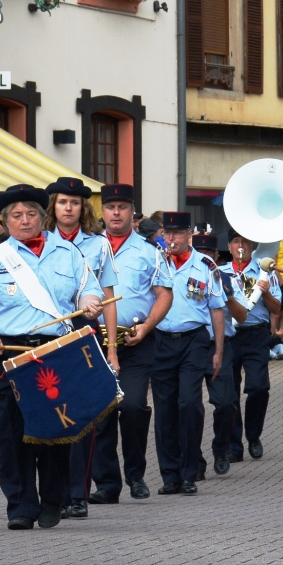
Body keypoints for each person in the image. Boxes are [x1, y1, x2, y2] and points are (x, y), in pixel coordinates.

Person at [0, 185, 104, 529]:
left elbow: (88, 288)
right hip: (6, 353)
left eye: (31, 214)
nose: (25, 221)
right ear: (5, 221)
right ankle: (20, 505)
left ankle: (53, 498)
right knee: (11, 431)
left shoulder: (67, 253)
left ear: (42, 216)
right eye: (16, 216)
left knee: (54, 429)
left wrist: (88, 303)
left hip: (55, 352)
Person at [88, 184, 172, 503]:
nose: (116, 213)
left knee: (133, 407)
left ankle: (135, 475)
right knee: (102, 411)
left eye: (123, 207)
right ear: (103, 211)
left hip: (135, 340)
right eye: (111, 207)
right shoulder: (87, 248)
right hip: (95, 341)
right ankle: (107, 484)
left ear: (132, 212)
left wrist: (148, 327)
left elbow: (165, 294)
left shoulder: (150, 251)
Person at [46, 177, 122, 519]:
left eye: (75, 202)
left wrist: (112, 349)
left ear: (83, 208)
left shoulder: (98, 244)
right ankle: (54, 492)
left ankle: (78, 493)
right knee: (51, 415)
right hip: (47, 333)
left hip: (83, 333)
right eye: (62, 202)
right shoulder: (39, 242)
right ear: (53, 206)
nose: (68, 208)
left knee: (81, 417)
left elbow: (108, 298)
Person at [150, 213, 226, 496]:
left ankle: (190, 470)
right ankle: (170, 476)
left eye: (177, 234)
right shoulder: (156, 263)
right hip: (161, 341)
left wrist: (218, 350)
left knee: (190, 404)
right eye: (167, 234)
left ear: (189, 235)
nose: (171, 239)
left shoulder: (206, 265)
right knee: (165, 408)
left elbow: (217, 309)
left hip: (194, 341)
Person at [222, 232, 281, 463]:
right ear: (229, 246)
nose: (241, 246)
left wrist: (264, 292)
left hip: (256, 334)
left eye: (245, 242)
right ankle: (233, 445)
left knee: (258, 387)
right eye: (236, 241)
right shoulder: (221, 272)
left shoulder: (265, 272)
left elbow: (277, 308)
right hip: (230, 335)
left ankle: (254, 436)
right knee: (230, 392)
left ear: (252, 245)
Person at [191, 231, 243, 478]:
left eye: (208, 253)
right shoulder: (183, 274)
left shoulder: (224, 277)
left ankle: (221, 449)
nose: (203, 257)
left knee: (225, 403)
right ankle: (195, 461)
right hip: (192, 345)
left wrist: (228, 295)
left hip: (221, 344)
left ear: (215, 256)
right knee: (190, 407)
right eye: (199, 252)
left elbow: (242, 315)